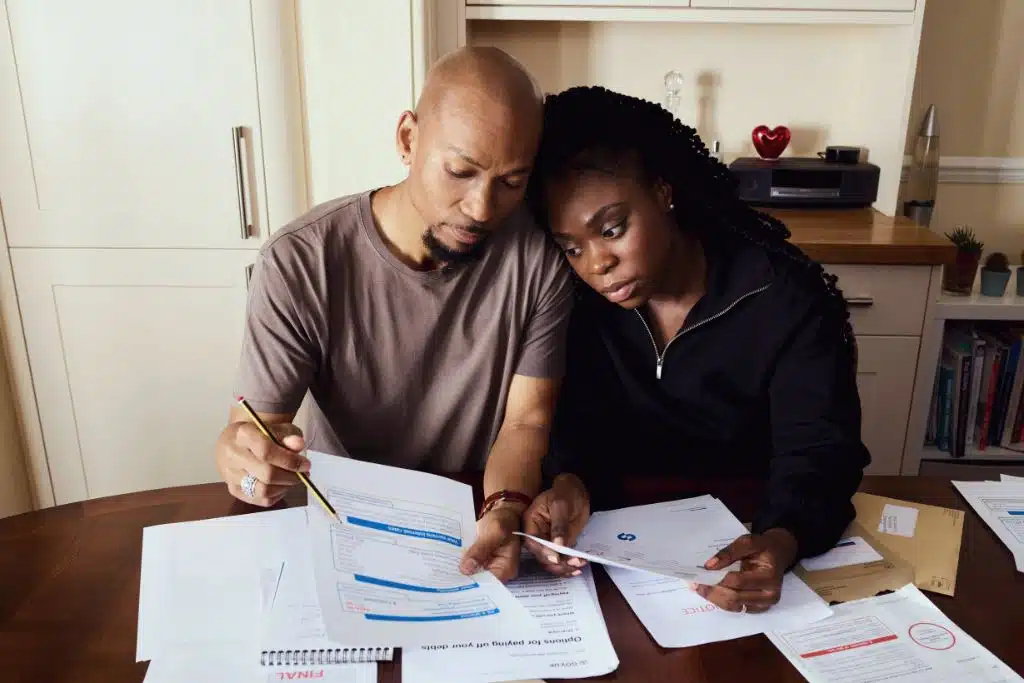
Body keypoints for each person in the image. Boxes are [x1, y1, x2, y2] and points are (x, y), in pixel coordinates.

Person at [213, 46, 576, 582]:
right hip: (343, 523)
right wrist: (246, 463)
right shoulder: (301, 260)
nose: (481, 208)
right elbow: (257, 430)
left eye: (511, 182)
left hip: (470, 522)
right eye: (460, 171)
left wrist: (503, 507)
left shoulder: (538, 262)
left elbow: (526, 420)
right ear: (408, 139)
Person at [519, 85, 871, 612]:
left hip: (746, 547)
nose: (596, 264)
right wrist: (570, 483)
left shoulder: (785, 298)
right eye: (571, 247)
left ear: (663, 192)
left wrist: (781, 540)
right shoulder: (582, 306)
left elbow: (820, 452)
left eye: (612, 229)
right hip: (618, 566)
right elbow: (582, 425)